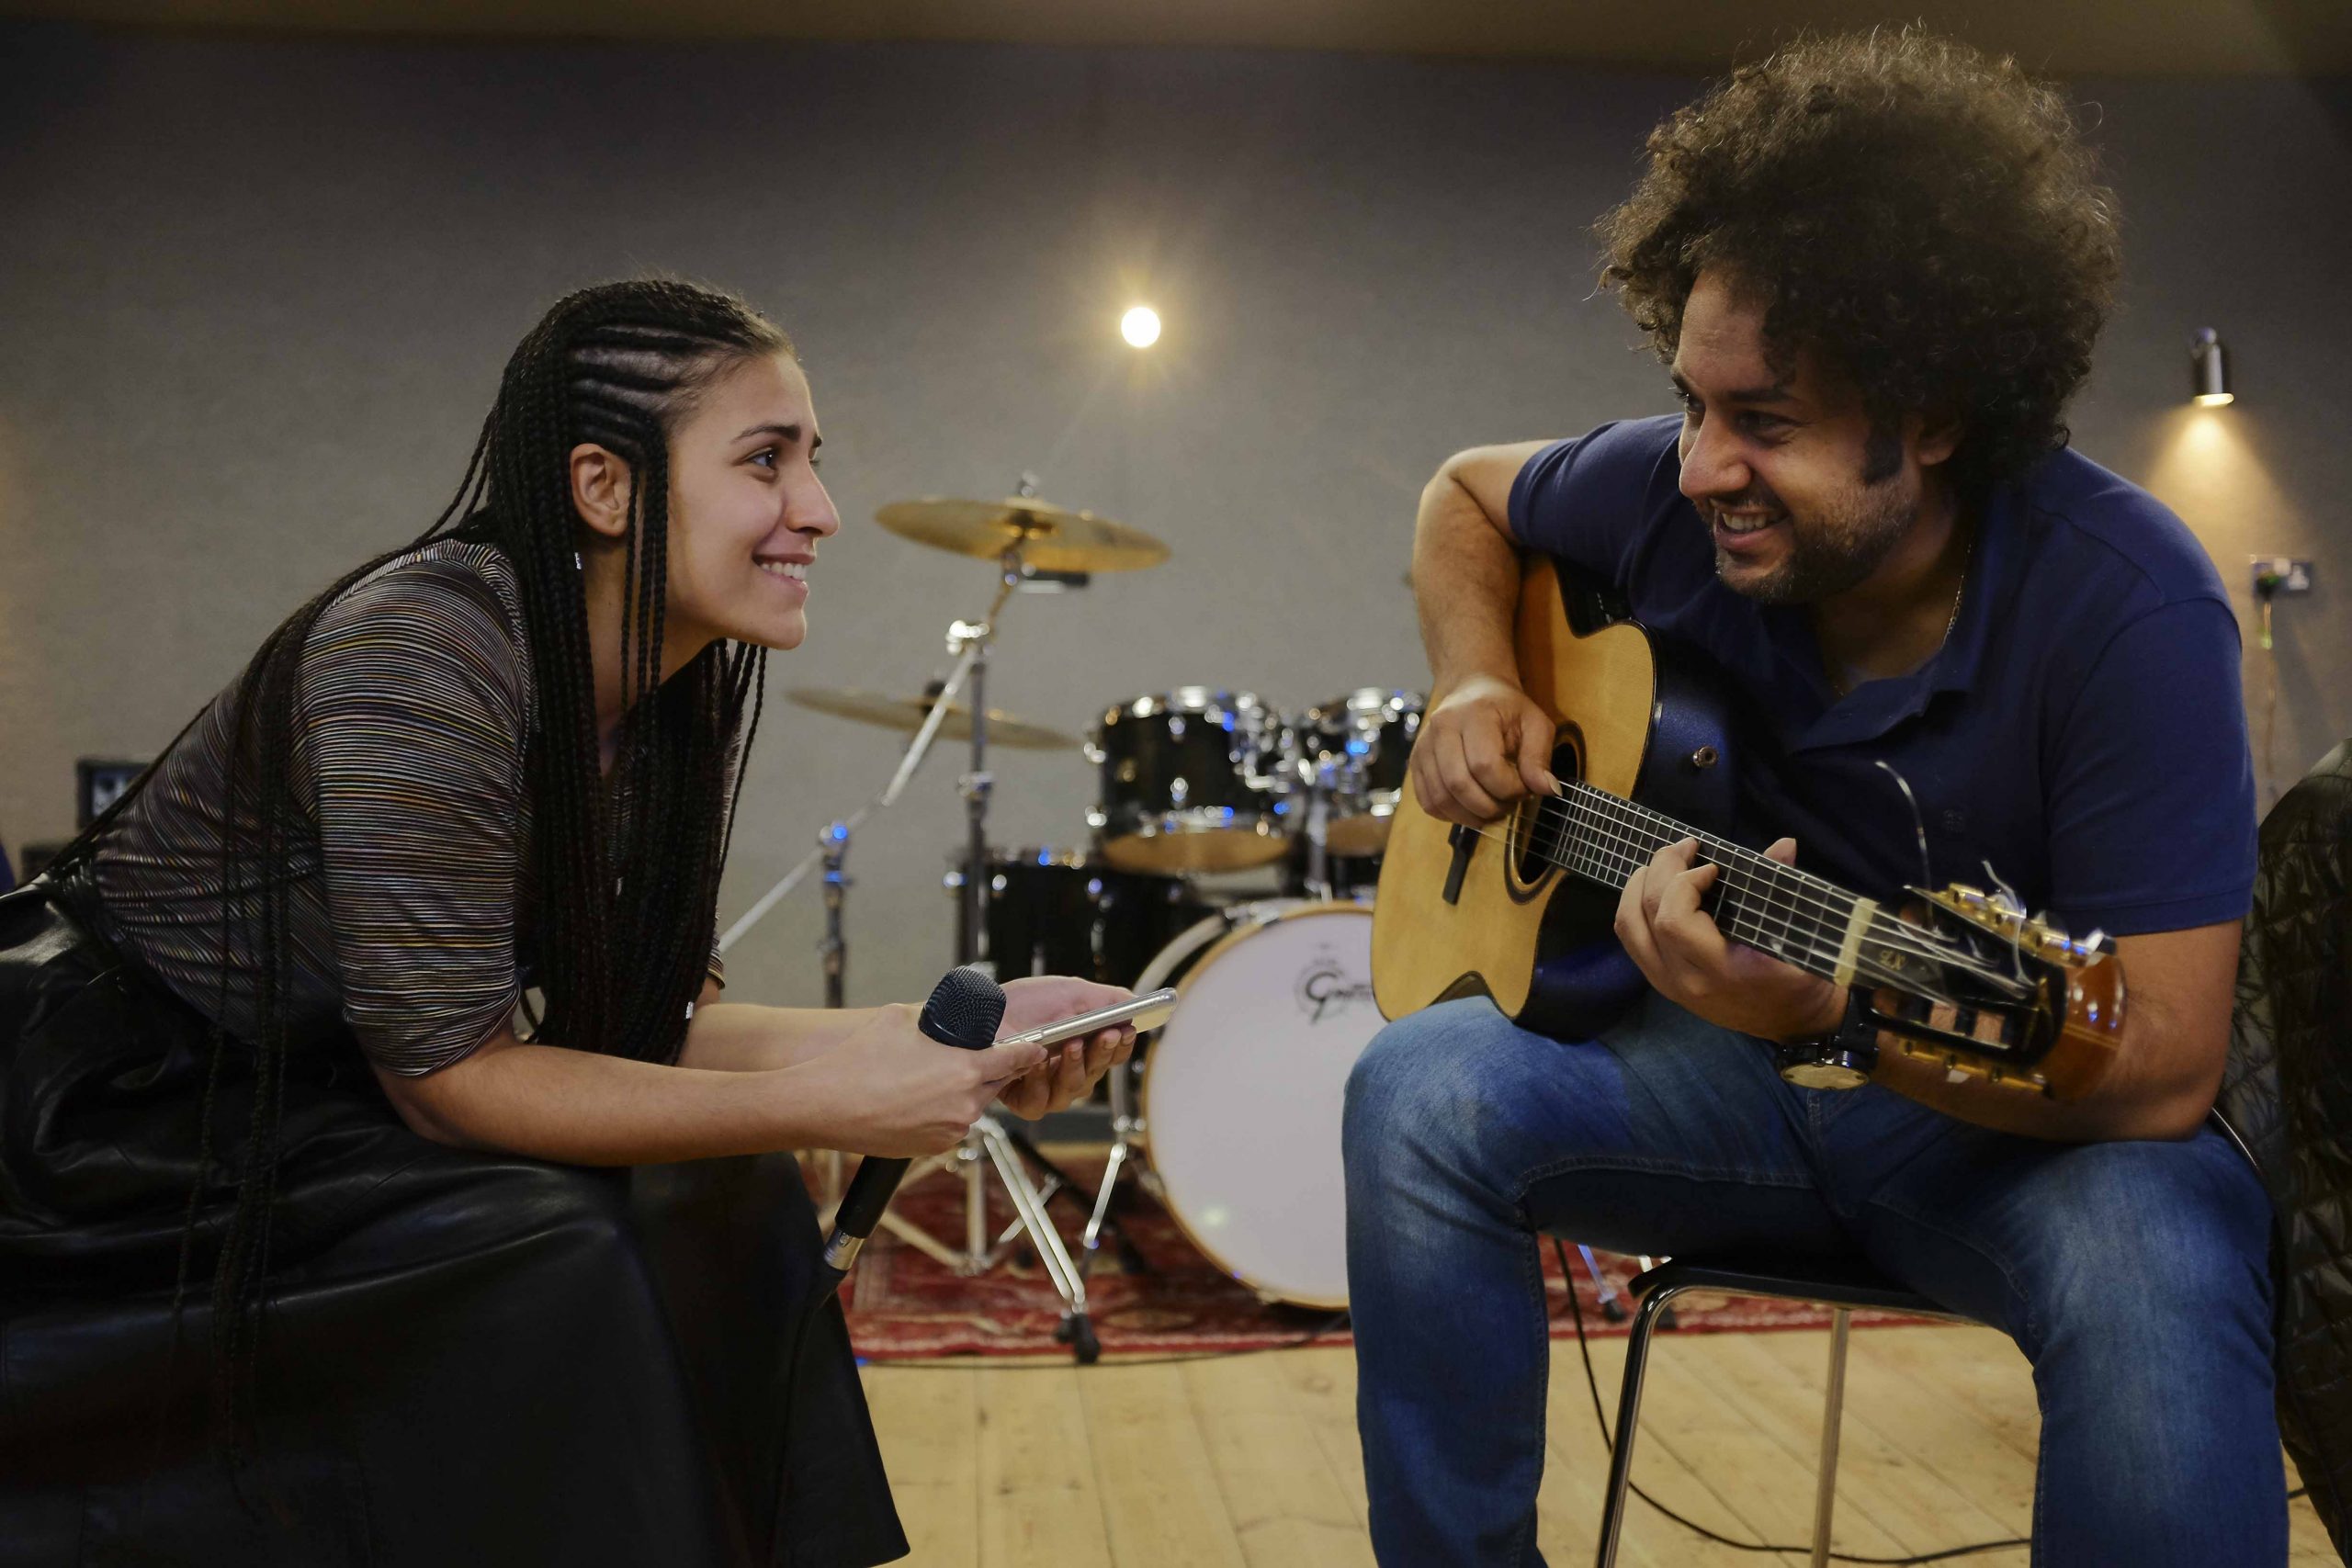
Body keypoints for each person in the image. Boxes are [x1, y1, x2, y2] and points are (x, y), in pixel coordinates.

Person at [0, 278, 1135, 1567]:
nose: (816, 510)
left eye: (812, 462)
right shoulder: (425, 646)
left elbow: (664, 1028)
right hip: (100, 1109)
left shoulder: (660, 697)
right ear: (605, 488)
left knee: (732, 1195)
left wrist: (930, 1043)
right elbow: (450, 1081)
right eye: (766, 461)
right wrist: (837, 1104)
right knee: (556, 1251)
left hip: (296, 1087)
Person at [1345, 30, 2282, 1566]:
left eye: (1763, 423)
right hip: (1727, 1084)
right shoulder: (1669, 491)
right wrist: (1473, 682)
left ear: (1929, 415)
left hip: (2032, 1137)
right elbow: (1463, 492)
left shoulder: (2129, 608)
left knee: (2164, 1266)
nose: (1704, 466)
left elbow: (2165, 1066)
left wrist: (1832, 1020)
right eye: (1691, 404)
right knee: (1415, 1094)